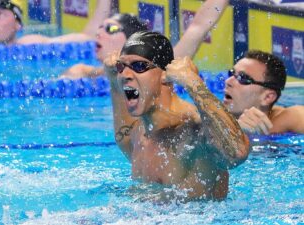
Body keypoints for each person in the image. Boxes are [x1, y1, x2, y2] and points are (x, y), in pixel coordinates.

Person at [104, 31, 250, 202]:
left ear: (166, 75)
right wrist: (113, 78)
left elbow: (237, 152)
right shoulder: (139, 132)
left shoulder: (193, 130)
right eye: (122, 67)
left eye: (139, 66)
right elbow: (123, 134)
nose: (125, 75)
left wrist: (193, 82)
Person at [61, 0, 230, 79]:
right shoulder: (83, 72)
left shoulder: (158, 70)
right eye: (100, 28)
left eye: (110, 29)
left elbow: (197, 28)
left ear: (130, 40)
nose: (99, 33)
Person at [223, 50, 304, 135]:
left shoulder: (291, 117)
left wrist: (250, 137)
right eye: (231, 73)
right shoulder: (213, 113)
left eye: (243, 78)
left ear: (267, 97)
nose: (228, 81)